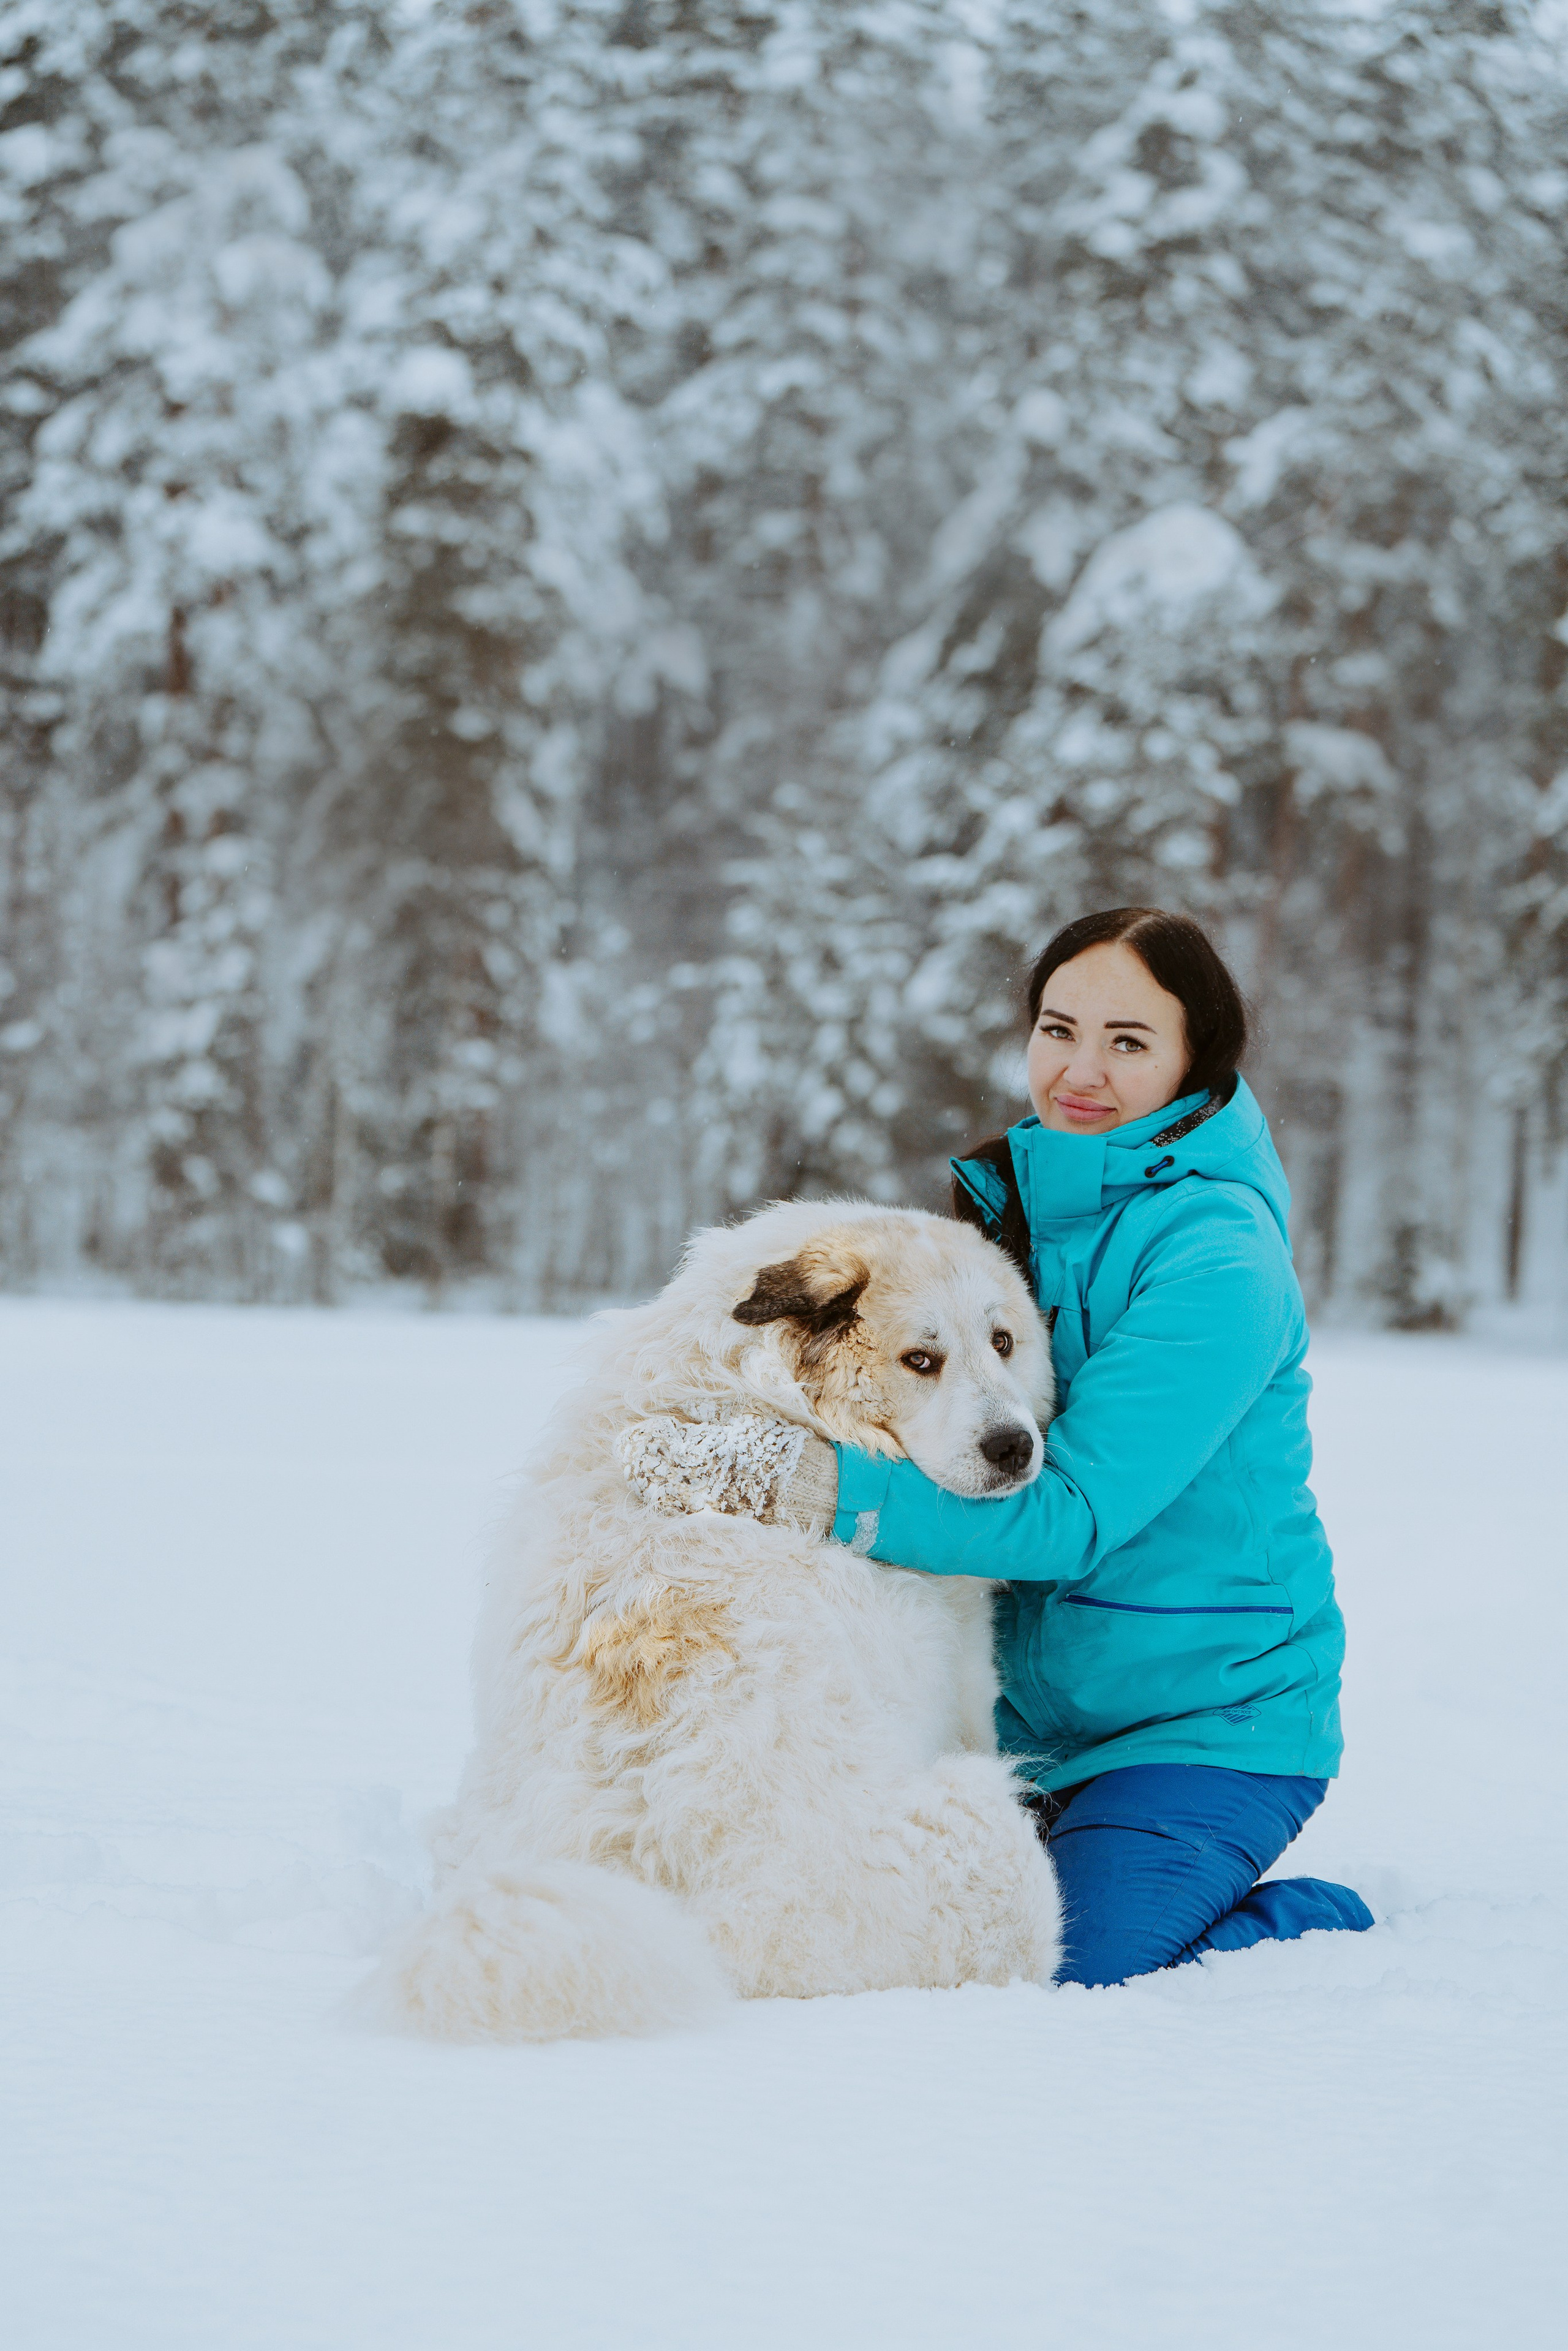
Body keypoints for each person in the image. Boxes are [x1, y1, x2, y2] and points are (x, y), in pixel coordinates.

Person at [628, 906, 1374, 1987]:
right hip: (1021, 1720)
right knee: (909, 1918)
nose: (1081, 1069)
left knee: (1066, 1963)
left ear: (1193, 1061)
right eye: (1058, 1028)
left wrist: (797, 1482)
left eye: (1129, 1041)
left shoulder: (1220, 1258)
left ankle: (1307, 1923)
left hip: (1208, 1724)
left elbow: (1065, 1514)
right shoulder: (1017, 1212)